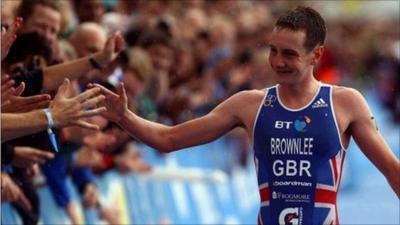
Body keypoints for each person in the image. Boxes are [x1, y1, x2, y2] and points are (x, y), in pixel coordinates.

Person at [92, 6, 399, 224]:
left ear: (316, 55)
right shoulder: (249, 105)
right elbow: (169, 139)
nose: (277, 62)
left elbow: (391, 168)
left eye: (289, 54)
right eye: (273, 51)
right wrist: (124, 116)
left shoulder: (345, 103)